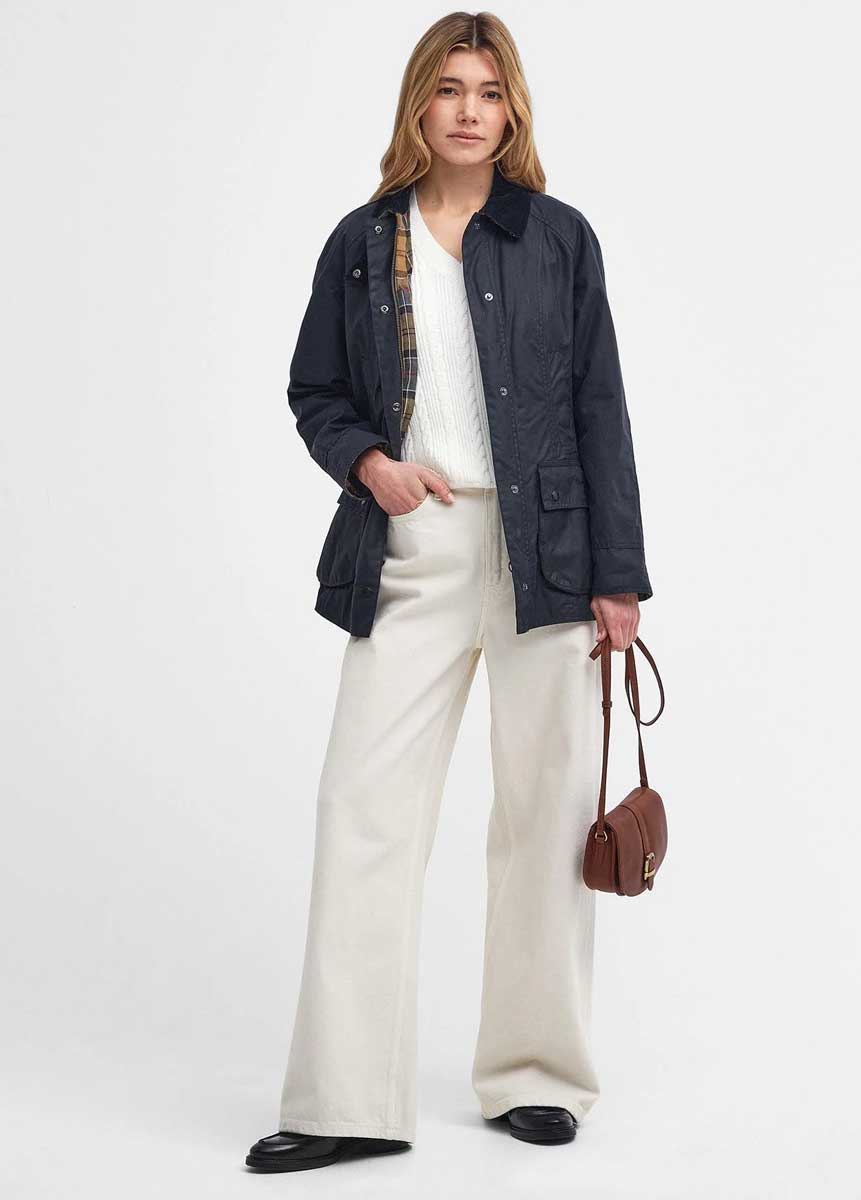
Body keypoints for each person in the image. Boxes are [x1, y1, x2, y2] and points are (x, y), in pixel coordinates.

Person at [245, 10, 653, 1174]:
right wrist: (370, 463)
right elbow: (316, 390)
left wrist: (619, 577)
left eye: (489, 90)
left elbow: (600, 407)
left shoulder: (558, 238)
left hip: (550, 559)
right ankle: (345, 1099)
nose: (469, 110)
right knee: (362, 810)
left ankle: (536, 1077)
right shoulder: (362, 241)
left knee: (543, 818)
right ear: (418, 103)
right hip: (412, 549)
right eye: (449, 88)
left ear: (511, 110)